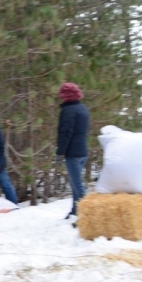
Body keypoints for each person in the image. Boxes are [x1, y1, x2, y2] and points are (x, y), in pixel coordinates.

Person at [54, 82, 90, 219]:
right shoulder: (83, 108)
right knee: (76, 185)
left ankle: (87, 215)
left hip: (73, 153)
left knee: (77, 185)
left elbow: (66, 133)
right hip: (83, 152)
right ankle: (75, 211)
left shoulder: (68, 111)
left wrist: (60, 152)